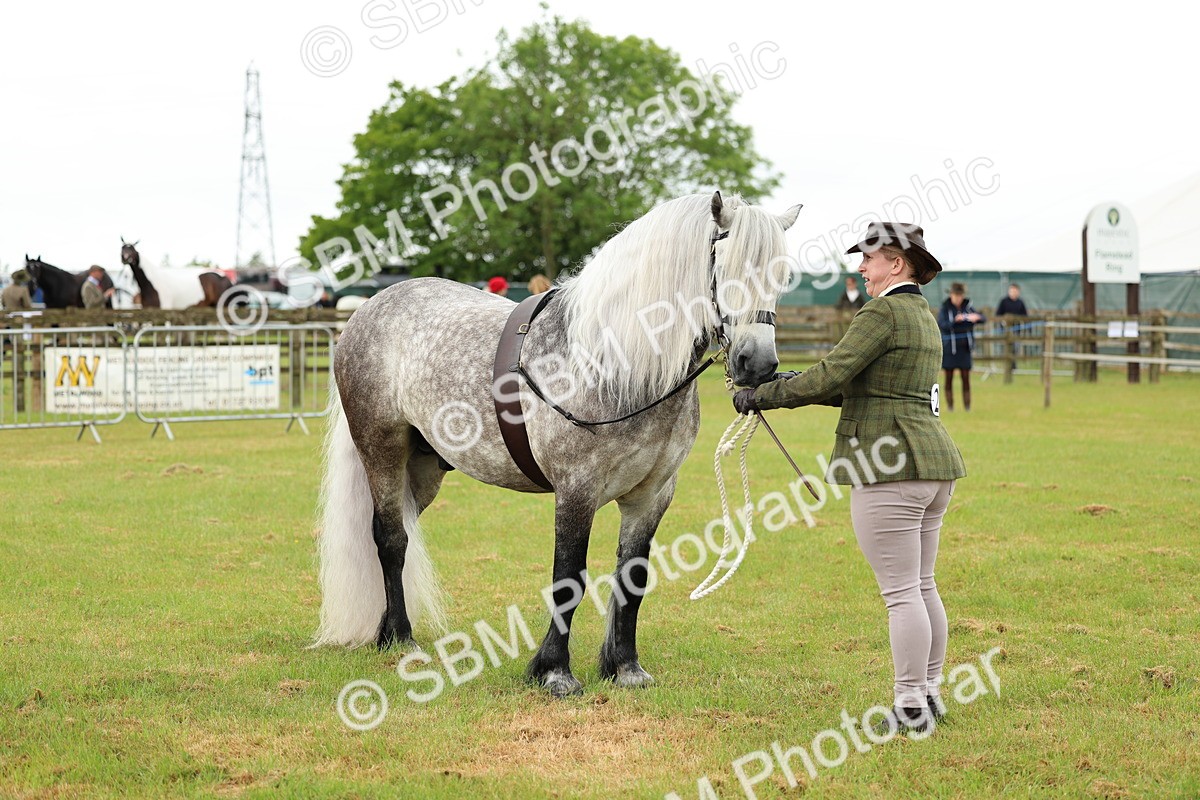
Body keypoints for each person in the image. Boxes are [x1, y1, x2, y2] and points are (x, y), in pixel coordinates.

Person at [733, 221, 966, 734]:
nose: (861, 266)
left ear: (897, 263)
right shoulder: (921, 314)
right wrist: (788, 383)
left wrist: (761, 395)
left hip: (891, 467)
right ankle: (929, 694)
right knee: (922, 585)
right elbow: (863, 388)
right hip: (932, 464)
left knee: (901, 593)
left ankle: (909, 708)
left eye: (869, 258)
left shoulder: (882, 311)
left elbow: (833, 374)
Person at [938, 282, 984, 411]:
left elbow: (982, 318)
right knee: (949, 378)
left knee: (965, 378)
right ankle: (950, 406)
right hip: (950, 349)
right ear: (951, 295)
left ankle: (967, 406)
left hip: (965, 349)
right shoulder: (945, 308)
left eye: (960, 295)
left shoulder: (968, 307)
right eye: (955, 295)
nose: (958, 298)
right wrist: (955, 321)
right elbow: (942, 324)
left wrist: (976, 317)